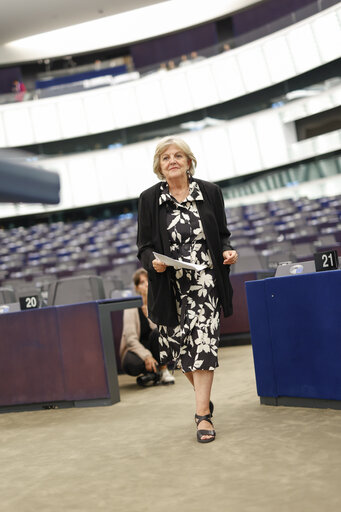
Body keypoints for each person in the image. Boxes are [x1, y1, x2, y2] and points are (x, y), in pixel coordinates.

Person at [137, 136, 238, 443]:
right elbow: (144, 247)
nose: (172, 160)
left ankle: (202, 416)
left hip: (205, 282)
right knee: (180, 353)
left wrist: (227, 251)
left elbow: (222, 235)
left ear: (189, 161)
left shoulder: (210, 192)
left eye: (178, 155)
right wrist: (154, 262)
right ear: (159, 166)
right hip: (169, 285)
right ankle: (203, 399)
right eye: (166, 157)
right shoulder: (149, 199)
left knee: (203, 346)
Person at [120, 268, 175, 387]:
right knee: (132, 364)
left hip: (154, 346)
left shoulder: (157, 304)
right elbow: (130, 339)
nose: (146, 285)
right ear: (136, 288)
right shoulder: (130, 307)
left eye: (148, 281)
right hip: (137, 349)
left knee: (157, 333)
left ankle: (163, 370)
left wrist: (149, 309)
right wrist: (147, 356)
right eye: (141, 282)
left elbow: (162, 332)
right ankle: (153, 373)